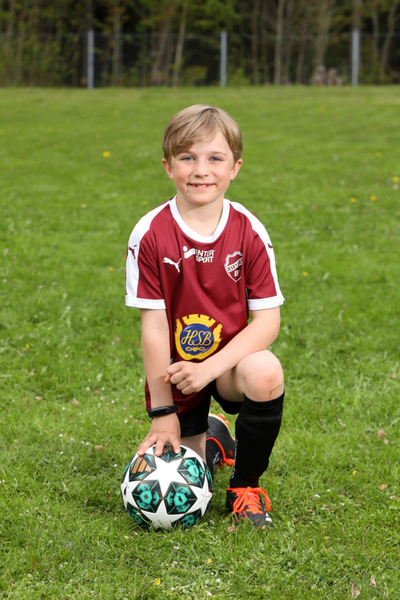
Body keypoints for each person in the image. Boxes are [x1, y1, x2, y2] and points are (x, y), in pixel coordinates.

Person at [125, 104, 285, 528]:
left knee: (267, 371)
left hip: (229, 365)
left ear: (235, 168)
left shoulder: (249, 230)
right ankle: (211, 440)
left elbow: (268, 322)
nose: (201, 171)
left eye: (215, 158)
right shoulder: (150, 233)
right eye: (187, 157)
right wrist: (163, 412)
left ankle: (245, 488)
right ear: (168, 166)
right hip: (178, 372)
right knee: (191, 477)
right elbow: (154, 327)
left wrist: (210, 368)